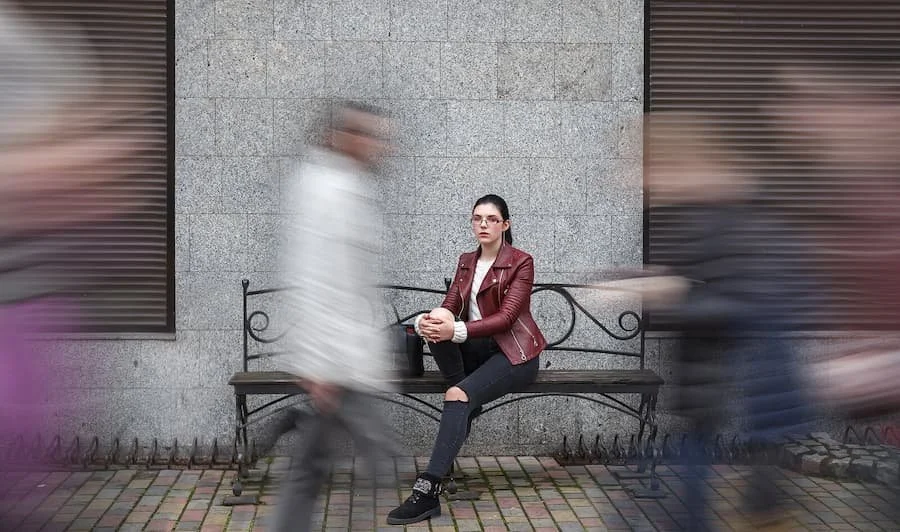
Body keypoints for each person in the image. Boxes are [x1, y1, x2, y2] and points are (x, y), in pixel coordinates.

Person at [638, 112, 813, 530]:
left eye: (654, 167)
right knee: (700, 458)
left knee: (704, 462)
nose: (647, 181)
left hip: (741, 372)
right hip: (715, 375)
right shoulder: (698, 214)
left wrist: (670, 294)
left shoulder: (727, 214)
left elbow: (743, 300)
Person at [273, 101, 398, 532]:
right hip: (336, 362)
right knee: (372, 459)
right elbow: (311, 279)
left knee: (319, 464)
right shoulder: (324, 191)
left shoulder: (352, 187)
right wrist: (319, 367)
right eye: (372, 135)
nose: (381, 145)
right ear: (346, 137)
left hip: (348, 359)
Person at [386, 194, 547, 525]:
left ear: (505, 224)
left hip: (513, 354)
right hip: (475, 354)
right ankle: (465, 397)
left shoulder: (521, 262)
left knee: (456, 394)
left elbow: (505, 319)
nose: (483, 224)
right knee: (435, 323)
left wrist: (454, 330)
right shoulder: (466, 260)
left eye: (490, 219)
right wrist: (430, 321)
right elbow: (452, 302)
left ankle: (427, 491)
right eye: (477, 218)